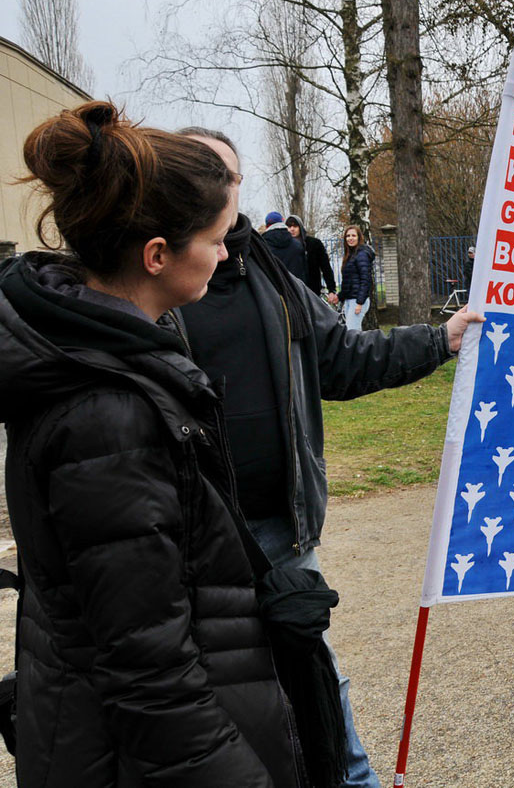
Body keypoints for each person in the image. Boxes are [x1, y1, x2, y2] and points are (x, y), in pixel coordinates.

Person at [0, 102, 306, 785]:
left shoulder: (109, 356)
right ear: (158, 254)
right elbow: (150, 673)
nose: (228, 254)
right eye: (218, 238)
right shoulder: (107, 414)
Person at [174, 127, 482, 788]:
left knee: (318, 690)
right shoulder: (155, 282)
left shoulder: (266, 270)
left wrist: (440, 339)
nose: (215, 188)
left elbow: (341, 359)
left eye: (223, 176)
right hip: (192, 545)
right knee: (218, 707)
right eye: (197, 172)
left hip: (282, 534)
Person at [288, 213, 339, 304]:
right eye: (289, 226)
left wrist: (331, 289)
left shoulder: (314, 244)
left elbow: (325, 267)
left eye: (295, 226)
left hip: (313, 291)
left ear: (300, 227)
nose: (292, 229)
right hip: (292, 292)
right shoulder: (286, 247)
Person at [338, 224, 376, 331]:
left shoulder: (362, 254)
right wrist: (340, 297)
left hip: (357, 301)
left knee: (352, 333)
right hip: (349, 300)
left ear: (359, 238)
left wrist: (359, 303)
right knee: (351, 333)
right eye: (348, 236)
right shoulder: (350, 256)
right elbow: (348, 282)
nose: (350, 238)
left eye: (353, 236)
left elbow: (366, 280)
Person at [264, 209, 307, 281]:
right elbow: (303, 272)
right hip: (295, 288)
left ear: (267, 226)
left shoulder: (263, 246)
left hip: (271, 289)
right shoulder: (297, 245)